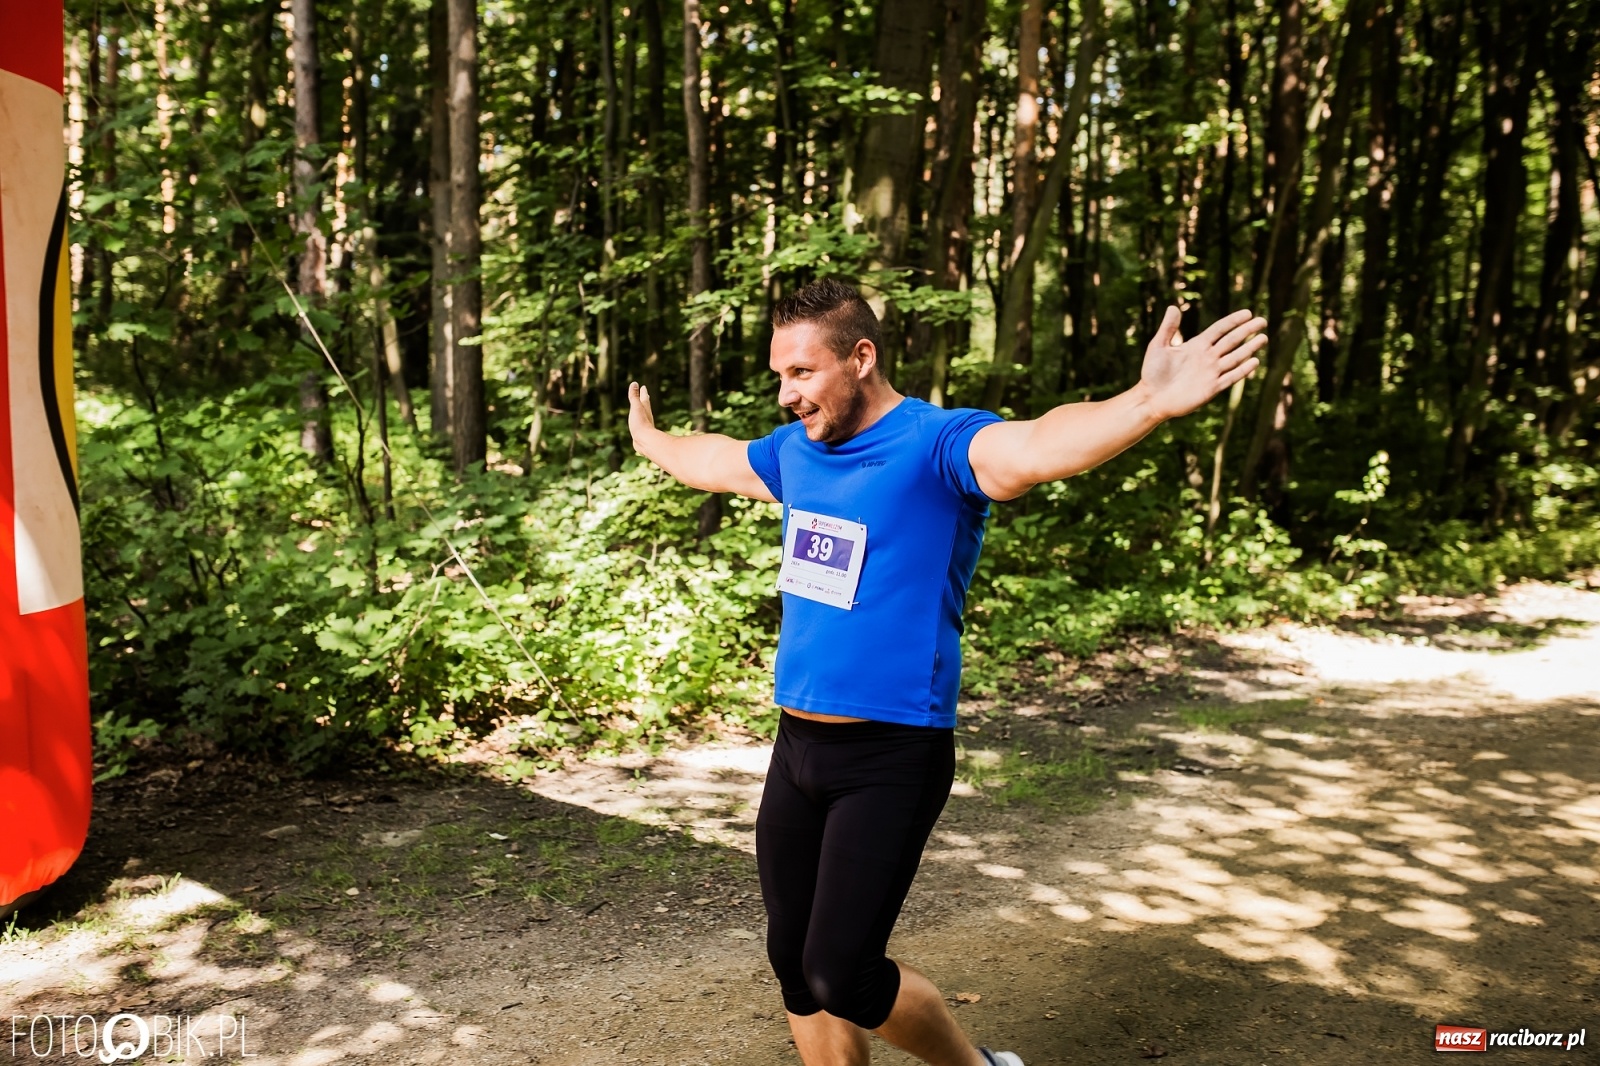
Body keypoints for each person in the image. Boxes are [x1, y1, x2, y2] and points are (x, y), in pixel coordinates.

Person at [627, 279, 1265, 1066]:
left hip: (891, 754)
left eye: (801, 373)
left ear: (861, 357)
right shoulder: (797, 454)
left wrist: (1145, 402)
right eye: (779, 376)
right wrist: (652, 441)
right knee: (795, 967)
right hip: (796, 751)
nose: (786, 394)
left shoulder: (937, 446)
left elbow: (1035, 446)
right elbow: (718, 461)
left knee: (843, 972)